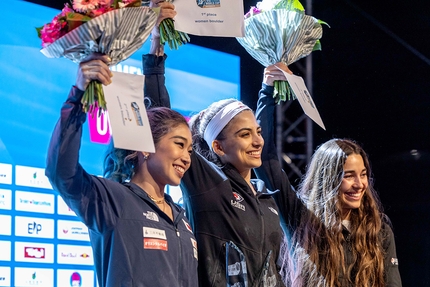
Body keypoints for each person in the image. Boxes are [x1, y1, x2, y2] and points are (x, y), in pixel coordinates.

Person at [45, 2, 199, 287]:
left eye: (189, 149)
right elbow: (61, 173)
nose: (186, 157)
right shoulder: (112, 200)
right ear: (144, 147)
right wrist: (78, 96)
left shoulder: (183, 219)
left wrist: (156, 41)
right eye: (179, 144)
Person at [255, 64, 402, 286]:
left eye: (363, 175)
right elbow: (265, 159)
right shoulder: (301, 217)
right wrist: (267, 91)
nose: (360, 184)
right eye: (349, 175)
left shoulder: (378, 228)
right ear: (327, 180)